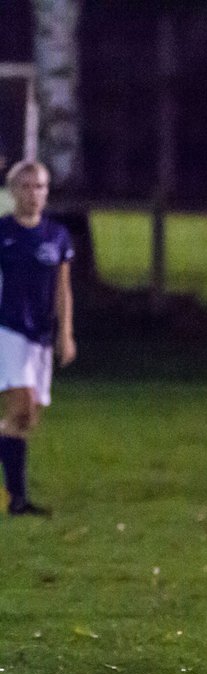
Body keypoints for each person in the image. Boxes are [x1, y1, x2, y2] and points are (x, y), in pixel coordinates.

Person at [0, 160, 75, 516]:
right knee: (23, 406)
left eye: (41, 187)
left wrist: (66, 334)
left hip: (41, 336)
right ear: (13, 191)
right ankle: (17, 500)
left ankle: (17, 499)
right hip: (8, 330)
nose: (34, 194)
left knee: (24, 422)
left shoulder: (57, 236)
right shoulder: (2, 232)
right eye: (27, 187)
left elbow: (63, 289)